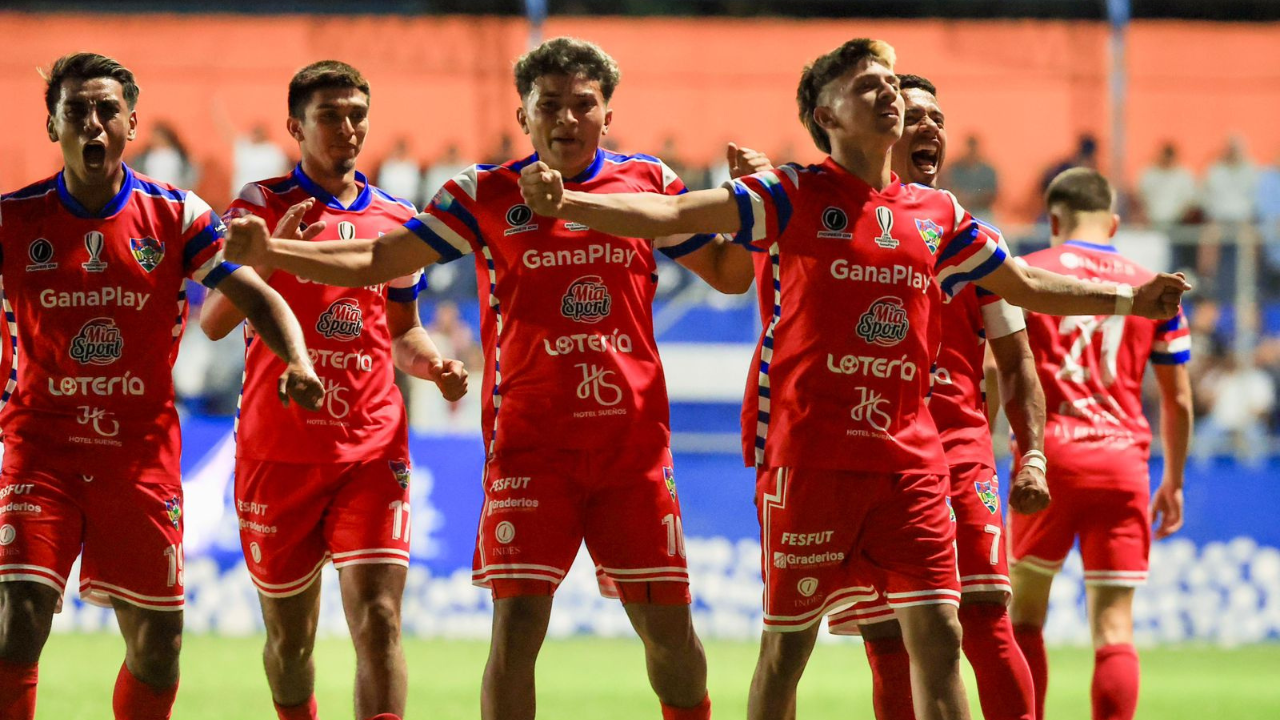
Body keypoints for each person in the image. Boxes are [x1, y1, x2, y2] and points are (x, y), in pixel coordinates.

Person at [513, 38, 1189, 720]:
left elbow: (1023, 284)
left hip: (911, 463)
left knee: (944, 634)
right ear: (827, 116)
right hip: (812, 462)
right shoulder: (791, 193)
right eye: (869, 85)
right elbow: (673, 215)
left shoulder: (942, 215)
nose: (889, 94)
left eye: (891, 83)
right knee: (787, 651)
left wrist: (1131, 300)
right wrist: (569, 203)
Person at [224, 37, 756, 720]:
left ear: (609, 114)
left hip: (633, 454)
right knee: (515, 635)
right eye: (550, 105)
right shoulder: (482, 194)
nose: (567, 119)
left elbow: (730, 275)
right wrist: (273, 250)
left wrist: (753, 208)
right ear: (523, 115)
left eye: (583, 104)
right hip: (529, 451)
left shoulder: (647, 182)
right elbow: (380, 259)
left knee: (671, 637)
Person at [0, 52, 322, 720]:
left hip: (138, 456)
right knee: (17, 618)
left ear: (131, 122)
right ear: (53, 124)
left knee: (159, 647)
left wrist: (299, 361)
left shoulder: (176, 214)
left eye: (106, 110)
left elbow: (256, 296)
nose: (93, 123)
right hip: (40, 451)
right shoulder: (13, 219)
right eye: (76, 110)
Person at [200, 60, 468, 720]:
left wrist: (434, 365)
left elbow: (402, 331)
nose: (347, 128)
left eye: (357, 115)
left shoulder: (398, 218)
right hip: (278, 451)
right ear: (295, 127)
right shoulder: (258, 207)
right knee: (290, 644)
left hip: (371, 449)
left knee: (379, 620)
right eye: (329, 115)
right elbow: (214, 321)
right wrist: (268, 254)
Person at [820, 73, 1046, 720]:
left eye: (937, 119)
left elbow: (1016, 361)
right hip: (868, 452)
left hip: (956, 449)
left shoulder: (976, 243)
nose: (930, 128)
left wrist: (1031, 455)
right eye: (914, 116)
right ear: (883, 133)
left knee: (985, 616)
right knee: (886, 639)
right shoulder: (838, 226)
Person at [1008, 168, 1194, 720]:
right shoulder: (1152, 286)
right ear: (1113, 223)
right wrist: (1173, 481)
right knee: (1114, 625)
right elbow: (1179, 399)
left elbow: (999, 371)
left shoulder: (1026, 275)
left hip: (1048, 458)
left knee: (1023, 616)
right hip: (1121, 460)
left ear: (1054, 220)